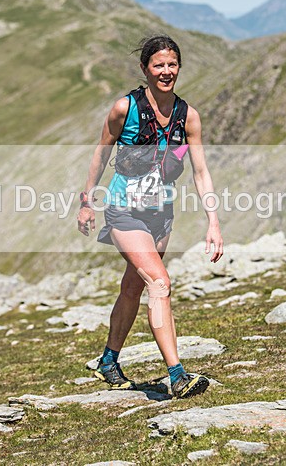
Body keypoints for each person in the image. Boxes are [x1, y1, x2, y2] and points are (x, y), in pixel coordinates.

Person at [76, 34, 224, 399]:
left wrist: (213, 222)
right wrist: (87, 201)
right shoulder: (124, 109)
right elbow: (101, 153)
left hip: (161, 216)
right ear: (145, 69)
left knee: (133, 287)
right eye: (158, 65)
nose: (166, 71)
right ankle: (177, 375)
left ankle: (108, 361)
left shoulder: (188, 117)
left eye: (172, 64)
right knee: (159, 283)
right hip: (123, 211)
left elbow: (200, 172)